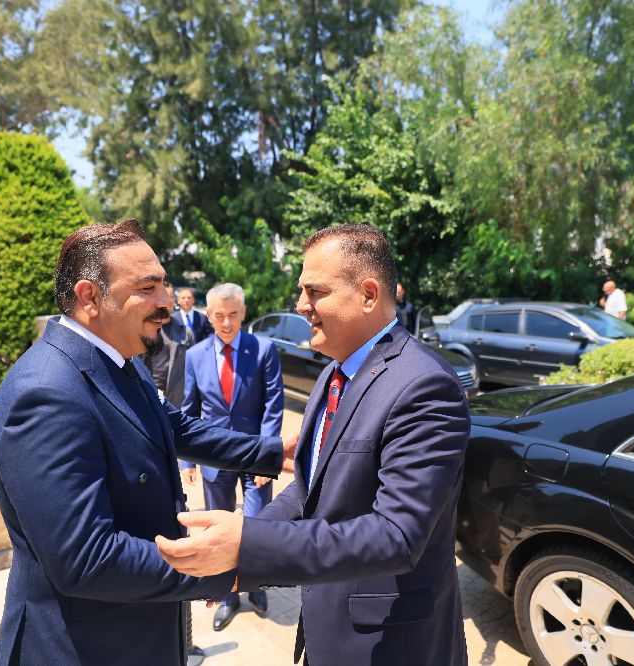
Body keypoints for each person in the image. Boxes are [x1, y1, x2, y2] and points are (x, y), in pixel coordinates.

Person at [157, 224, 471, 666]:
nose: (301, 305)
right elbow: (309, 491)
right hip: (330, 632)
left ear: (367, 294)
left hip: (393, 645)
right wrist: (242, 556)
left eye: (315, 291)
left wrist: (250, 544)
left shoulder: (424, 386)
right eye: (301, 291)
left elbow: (397, 535)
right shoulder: (332, 374)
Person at [0, 219, 292, 666]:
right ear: (90, 297)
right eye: (148, 288)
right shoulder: (47, 394)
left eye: (164, 285)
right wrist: (222, 567)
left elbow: (175, 427)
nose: (167, 301)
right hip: (85, 648)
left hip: (140, 631)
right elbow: (87, 558)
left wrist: (272, 453)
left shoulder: (119, 359)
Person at [179, 283, 283, 631]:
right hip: (214, 458)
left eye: (233, 315)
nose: (227, 323)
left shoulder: (263, 349)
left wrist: (267, 456)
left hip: (255, 455)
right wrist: (188, 460)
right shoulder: (195, 356)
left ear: (243, 313)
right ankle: (226, 595)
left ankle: (256, 585)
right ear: (209, 315)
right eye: (220, 316)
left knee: (256, 524)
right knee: (218, 529)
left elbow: (273, 406)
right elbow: (189, 410)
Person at [145, 281, 194, 407]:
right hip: (149, 396)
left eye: (170, 296)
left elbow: (194, 369)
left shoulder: (186, 333)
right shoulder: (144, 330)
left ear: (174, 300)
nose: (165, 301)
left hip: (176, 400)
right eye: (161, 296)